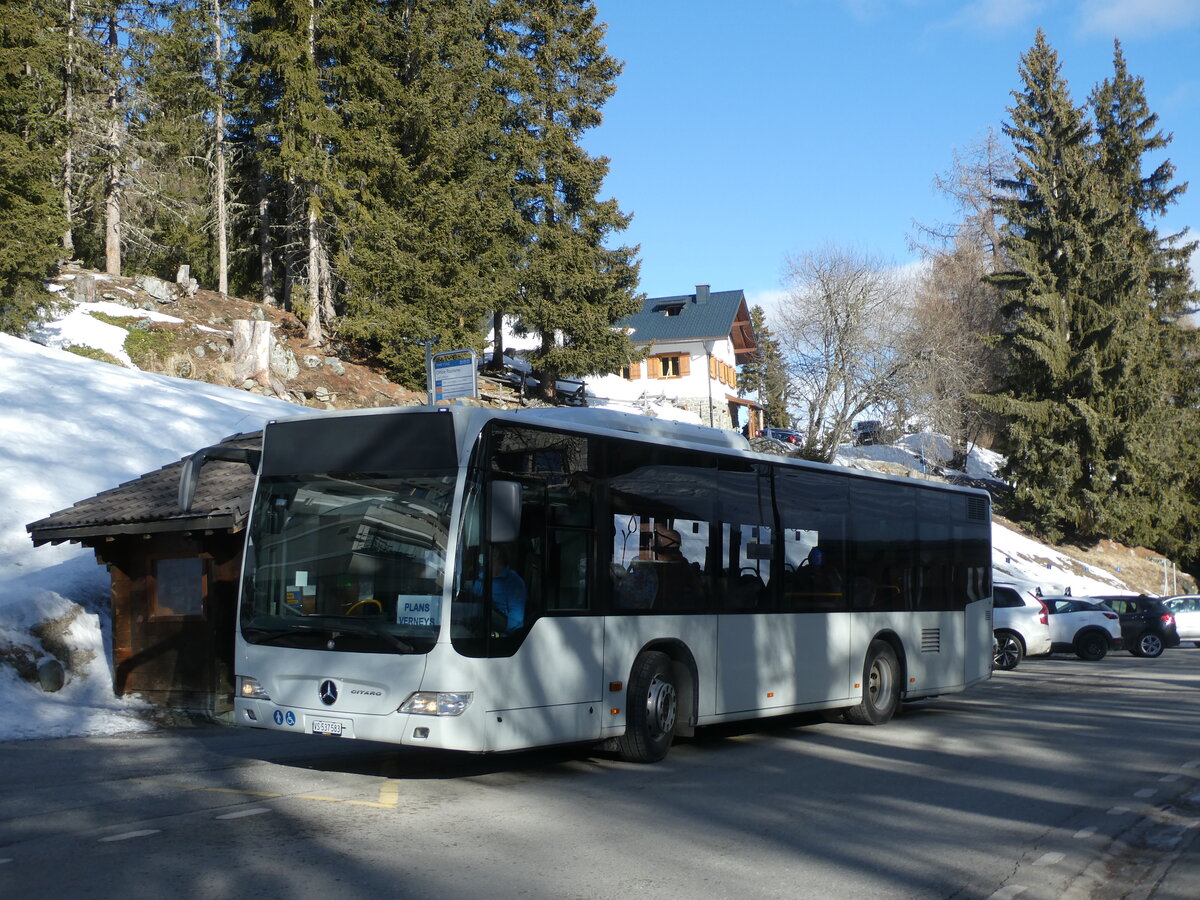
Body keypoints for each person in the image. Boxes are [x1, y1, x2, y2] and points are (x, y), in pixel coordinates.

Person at [473, 544, 526, 632]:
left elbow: (516, 620)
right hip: (479, 631)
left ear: (496, 554)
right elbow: (473, 608)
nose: (482, 556)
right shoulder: (481, 579)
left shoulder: (514, 582)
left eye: (485, 552)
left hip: (503, 638)